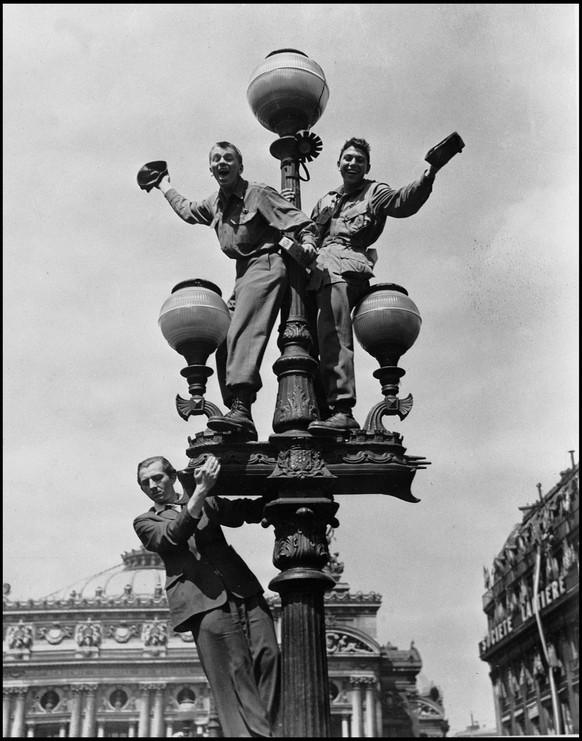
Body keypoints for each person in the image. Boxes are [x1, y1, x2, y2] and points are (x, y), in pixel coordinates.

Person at [143, 142, 318, 439]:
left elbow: (299, 222)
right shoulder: (215, 202)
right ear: (210, 169)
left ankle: (241, 405)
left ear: (240, 166)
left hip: (266, 263)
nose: (222, 163)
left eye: (228, 158)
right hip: (243, 273)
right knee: (223, 336)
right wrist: (163, 185)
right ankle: (237, 414)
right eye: (216, 159)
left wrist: (310, 242)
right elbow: (188, 211)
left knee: (243, 332)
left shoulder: (258, 193)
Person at [283, 137, 441, 434]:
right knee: (305, 340)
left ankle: (342, 408)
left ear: (367, 166)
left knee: (333, 332)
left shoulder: (375, 192)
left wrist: (429, 173)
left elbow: (403, 201)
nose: (353, 163)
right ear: (338, 163)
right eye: (348, 158)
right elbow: (310, 236)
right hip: (317, 273)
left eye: (359, 159)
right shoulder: (327, 200)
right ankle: (319, 409)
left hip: (345, 269)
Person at [133, 454, 280, 737]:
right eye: (145, 483)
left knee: (269, 656)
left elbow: (245, 511)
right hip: (204, 602)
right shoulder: (145, 521)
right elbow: (174, 535)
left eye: (157, 478)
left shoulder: (206, 500)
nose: (152, 485)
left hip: (243, 589)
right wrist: (200, 492)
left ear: (173, 476)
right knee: (236, 671)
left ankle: (266, 729)